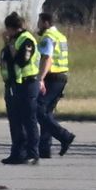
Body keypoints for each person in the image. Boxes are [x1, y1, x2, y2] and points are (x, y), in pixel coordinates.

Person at [0, 14, 40, 165]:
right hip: (14, 85)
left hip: (28, 84)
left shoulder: (26, 40)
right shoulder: (14, 40)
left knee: (29, 120)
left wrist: (9, 43)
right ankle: (17, 153)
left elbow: (22, 61)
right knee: (15, 120)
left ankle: (33, 154)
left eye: (7, 29)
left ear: (12, 28)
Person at [35, 11, 77, 158]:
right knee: (47, 112)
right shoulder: (61, 36)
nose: (38, 26)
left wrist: (41, 78)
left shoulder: (48, 37)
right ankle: (45, 149)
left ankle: (65, 136)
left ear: (46, 22)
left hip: (52, 77)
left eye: (39, 22)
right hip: (62, 76)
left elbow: (47, 58)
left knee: (38, 110)